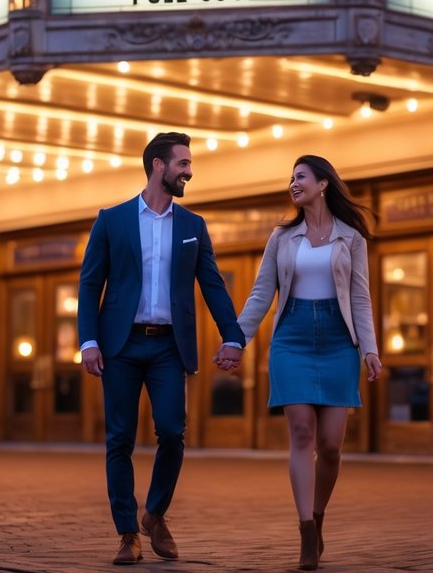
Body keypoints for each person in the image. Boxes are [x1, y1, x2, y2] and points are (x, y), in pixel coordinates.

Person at [78, 131, 245, 565]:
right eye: (183, 163)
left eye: (188, 163)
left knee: (172, 431)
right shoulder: (111, 220)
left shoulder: (193, 226)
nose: (189, 170)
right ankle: (127, 534)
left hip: (169, 346)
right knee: (119, 439)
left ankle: (154, 513)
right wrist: (89, 340)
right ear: (158, 165)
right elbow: (90, 283)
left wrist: (232, 334)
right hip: (120, 345)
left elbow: (212, 282)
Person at [229, 154, 382, 571]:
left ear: (323, 183)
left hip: (337, 341)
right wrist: (236, 340)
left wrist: (369, 348)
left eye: (301, 177)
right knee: (301, 433)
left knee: (331, 446)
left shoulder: (351, 239)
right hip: (292, 338)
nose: (293, 184)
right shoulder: (282, 238)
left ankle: (318, 516)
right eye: (291, 178)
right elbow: (262, 293)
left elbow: (360, 298)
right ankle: (305, 534)